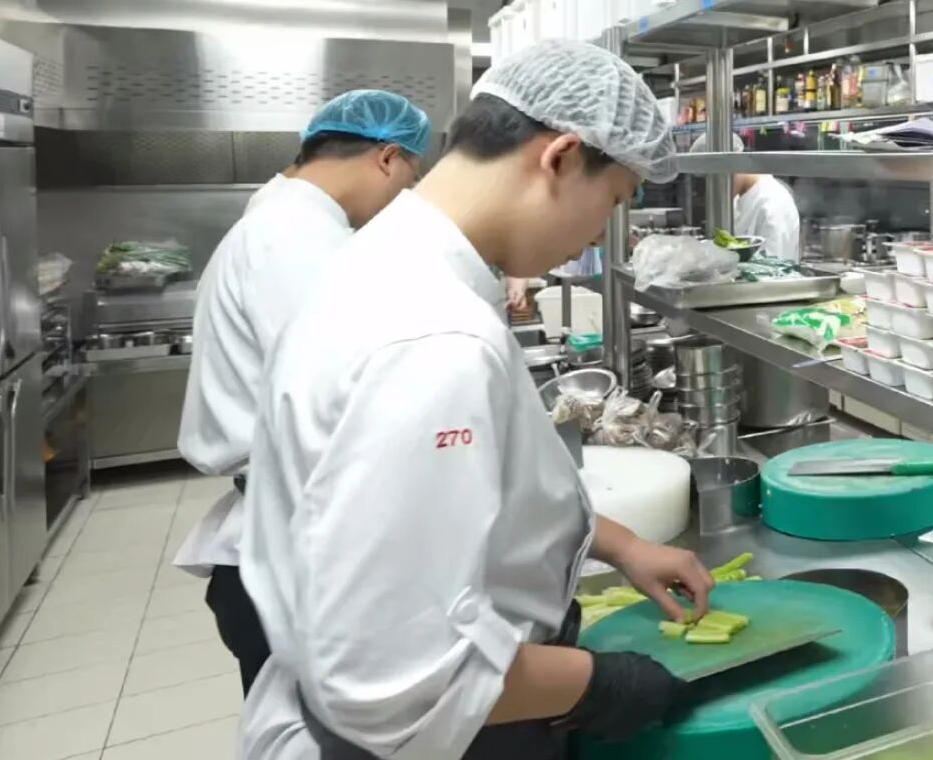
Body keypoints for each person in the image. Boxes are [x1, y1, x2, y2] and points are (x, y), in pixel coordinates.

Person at [240, 40, 713, 760]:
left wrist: (620, 545)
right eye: (613, 202)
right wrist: (598, 684)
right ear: (560, 157)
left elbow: (462, 509)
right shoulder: (432, 338)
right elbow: (392, 682)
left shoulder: (386, 262)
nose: (600, 233)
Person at [174, 89, 431, 696]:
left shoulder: (287, 224)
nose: (405, 194)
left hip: (290, 529)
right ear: (388, 157)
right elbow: (342, 394)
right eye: (410, 177)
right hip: (299, 547)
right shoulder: (295, 239)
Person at [691, 133, 801, 261]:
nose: (713, 188)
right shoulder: (736, 200)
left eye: (715, 179)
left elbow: (772, 265)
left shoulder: (773, 203)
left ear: (735, 164)